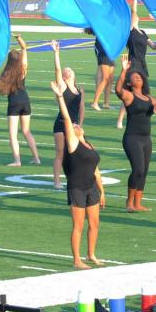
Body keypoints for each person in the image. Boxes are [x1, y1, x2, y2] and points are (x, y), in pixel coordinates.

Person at [51, 80, 105, 269]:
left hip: (91, 187)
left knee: (95, 224)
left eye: (77, 125)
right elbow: (67, 119)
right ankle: (76, 260)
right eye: (73, 127)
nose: (76, 126)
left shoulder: (89, 144)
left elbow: (96, 169)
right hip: (77, 189)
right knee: (79, 226)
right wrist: (60, 97)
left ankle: (91, 254)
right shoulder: (72, 145)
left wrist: (102, 191)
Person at [116, 61, 156, 212]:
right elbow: (118, 90)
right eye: (134, 76)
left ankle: (138, 203)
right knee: (138, 169)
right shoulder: (129, 96)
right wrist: (123, 70)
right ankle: (129, 202)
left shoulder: (149, 98)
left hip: (146, 139)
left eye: (139, 76)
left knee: (144, 172)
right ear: (129, 83)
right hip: (132, 138)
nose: (138, 77)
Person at [0, 34, 41, 167]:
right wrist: (19, 39)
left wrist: (0, 83)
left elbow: (2, 93)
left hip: (14, 103)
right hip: (25, 101)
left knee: (13, 135)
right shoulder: (23, 69)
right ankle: (36, 158)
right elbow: (24, 48)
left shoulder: (6, 74)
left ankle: (17, 161)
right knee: (26, 131)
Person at [117, 0, 156, 129]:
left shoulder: (143, 33)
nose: (135, 16)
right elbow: (133, 10)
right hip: (133, 64)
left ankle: (145, 113)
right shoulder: (130, 31)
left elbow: (154, 46)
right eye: (133, 16)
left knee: (144, 91)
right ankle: (120, 120)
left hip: (142, 64)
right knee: (129, 92)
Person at [52, 40, 84, 190]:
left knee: (76, 153)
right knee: (60, 152)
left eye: (70, 69)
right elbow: (57, 70)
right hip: (61, 124)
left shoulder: (79, 89)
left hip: (74, 126)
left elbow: (82, 109)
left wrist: (80, 125)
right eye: (67, 71)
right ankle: (56, 181)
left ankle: (75, 178)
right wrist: (56, 53)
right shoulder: (63, 86)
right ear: (64, 77)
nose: (68, 70)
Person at [86, 29, 115, 111]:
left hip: (110, 50)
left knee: (110, 79)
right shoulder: (103, 25)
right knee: (105, 79)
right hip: (103, 50)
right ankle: (95, 103)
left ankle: (106, 103)